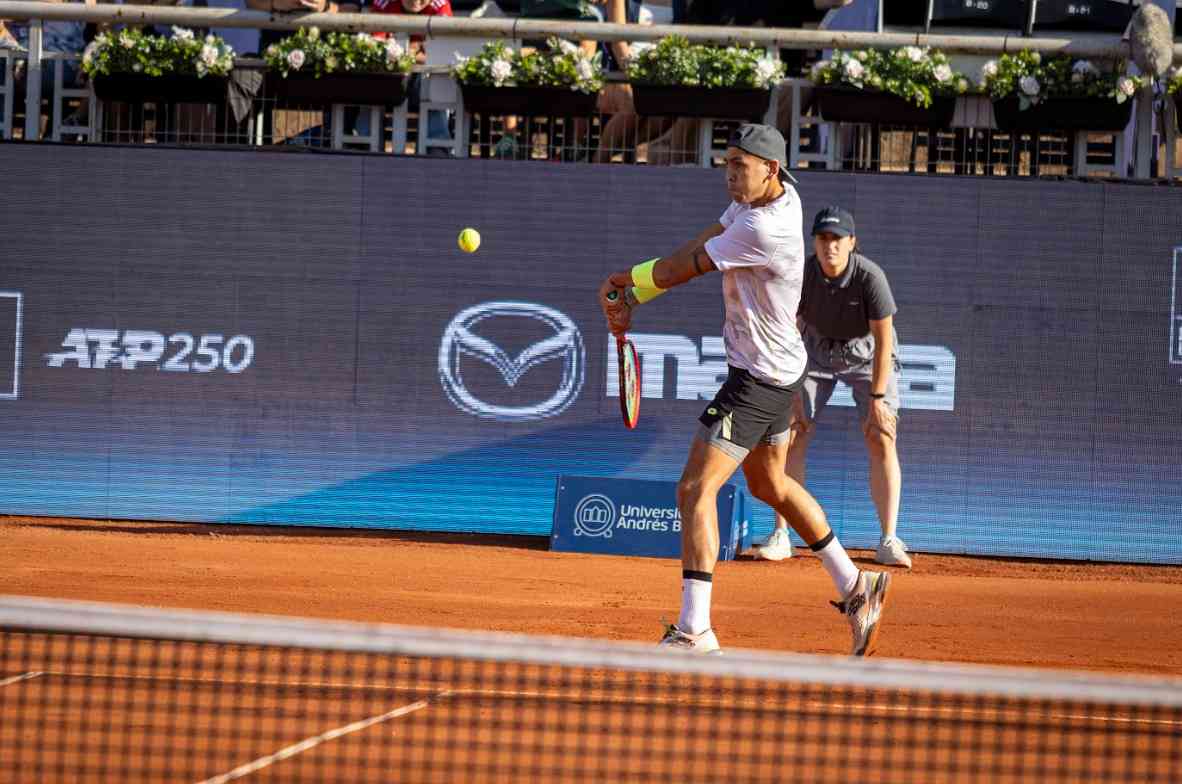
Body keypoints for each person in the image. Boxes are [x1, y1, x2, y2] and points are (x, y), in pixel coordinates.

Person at [598, 124, 891, 657]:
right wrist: (634, 293)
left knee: (693, 490)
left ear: (771, 170)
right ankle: (856, 586)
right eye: (727, 162)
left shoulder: (764, 228)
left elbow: (683, 268)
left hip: (757, 380)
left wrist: (627, 283)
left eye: (741, 165)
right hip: (780, 372)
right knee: (770, 484)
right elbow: (702, 241)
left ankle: (694, 629)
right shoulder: (772, 197)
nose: (730, 173)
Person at [751, 206, 912, 569]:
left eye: (837, 239)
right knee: (789, 435)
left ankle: (888, 539)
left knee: (881, 435)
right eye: (823, 239)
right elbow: (786, 328)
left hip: (867, 354)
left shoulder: (870, 277)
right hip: (813, 351)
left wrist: (876, 399)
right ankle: (782, 535)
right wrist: (789, 389)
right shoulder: (802, 273)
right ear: (814, 243)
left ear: (852, 243)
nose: (830, 246)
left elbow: (884, 340)